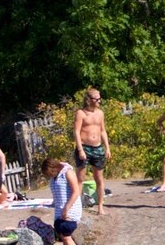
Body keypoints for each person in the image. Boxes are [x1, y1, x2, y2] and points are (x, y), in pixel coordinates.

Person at [73, 87, 112, 215]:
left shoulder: (100, 113)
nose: (99, 101)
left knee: (99, 178)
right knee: (80, 178)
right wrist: (80, 150)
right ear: (89, 100)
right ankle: (77, 206)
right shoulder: (81, 113)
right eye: (97, 99)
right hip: (84, 147)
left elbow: (103, 130)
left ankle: (100, 206)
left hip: (98, 147)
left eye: (100, 99)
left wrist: (107, 148)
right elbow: (77, 132)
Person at [44, 157, 82, 245]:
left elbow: (76, 192)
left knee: (66, 236)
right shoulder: (54, 177)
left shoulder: (68, 172)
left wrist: (66, 209)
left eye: (49, 173)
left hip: (70, 211)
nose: (49, 176)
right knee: (63, 236)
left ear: (54, 168)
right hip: (59, 212)